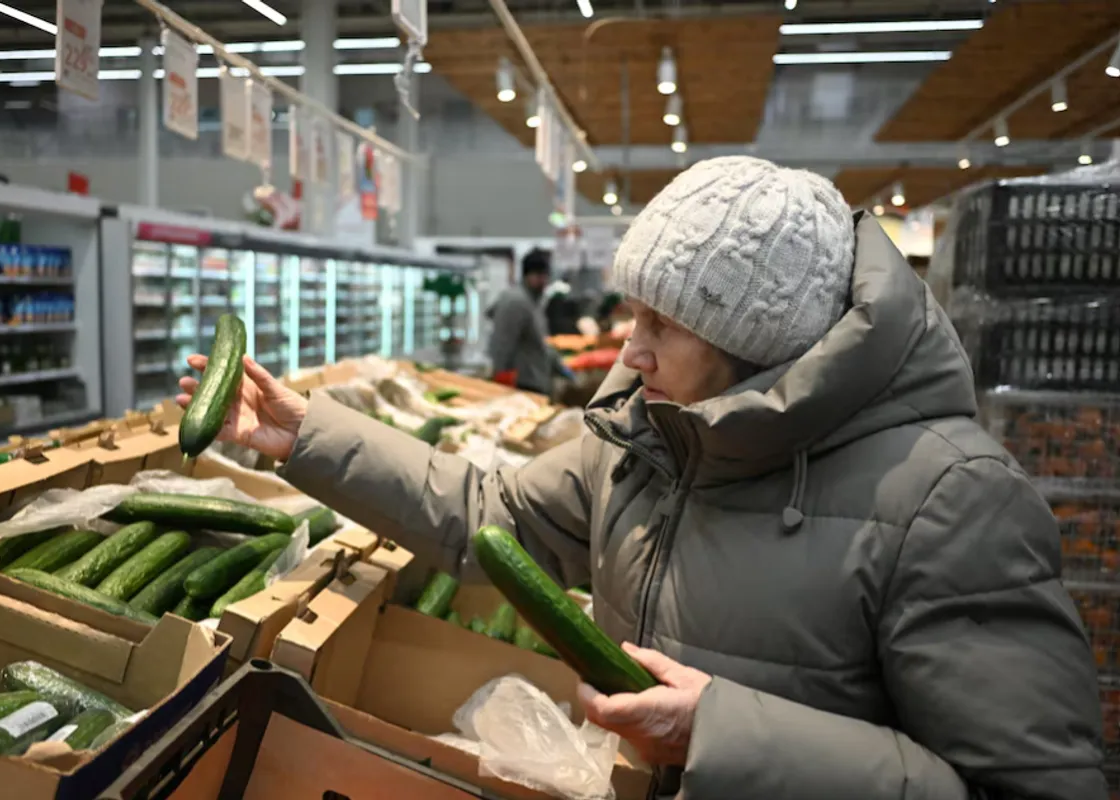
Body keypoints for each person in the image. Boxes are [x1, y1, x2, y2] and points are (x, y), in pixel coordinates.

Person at [178, 156, 1105, 799]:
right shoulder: (649, 440)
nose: (629, 350)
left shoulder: (954, 501)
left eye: (663, 323)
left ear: (763, 343)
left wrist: (722, 734)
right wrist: (311, 435)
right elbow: (491, 518)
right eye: (634, 312)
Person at [486, 247, 565, 393]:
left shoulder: (533, 301)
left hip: (535, 380)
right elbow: (503, 344)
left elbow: (540, 341)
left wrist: (557, 365)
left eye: (545, 276)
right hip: (522, 384)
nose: (544, 281)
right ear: (528, 275)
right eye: (539, 276)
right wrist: (501, 380)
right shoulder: (516, 302)